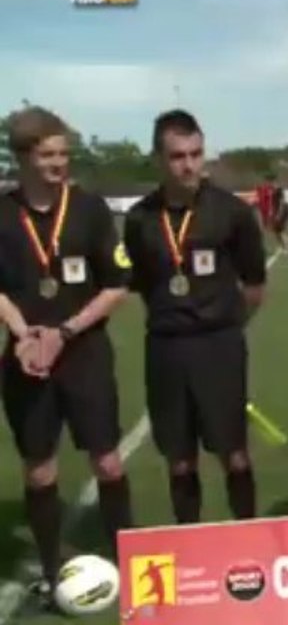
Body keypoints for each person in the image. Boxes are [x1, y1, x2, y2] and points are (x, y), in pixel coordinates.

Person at [0, 106, 133, 607]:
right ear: (23, 158)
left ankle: (129, 556)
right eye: (48, 154)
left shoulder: (90, 209)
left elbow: (118, 284)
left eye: (64, 153)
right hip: (27, 358)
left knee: (108, 461)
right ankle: (54, 568)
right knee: (40, 469)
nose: (59, 163)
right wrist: (22, 333)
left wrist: (65, 330)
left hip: (84, 355)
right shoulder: (2, 213)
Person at [123, 110, 267, 523]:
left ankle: (248, 535)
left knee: (234, 454)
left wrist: (225, 326)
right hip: (166, 349)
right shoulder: (138, 219)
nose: (189, 165)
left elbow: (254, 286)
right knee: (179, 459)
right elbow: (143, 286)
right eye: (177, 156)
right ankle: (189, 544)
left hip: (220, 345)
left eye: (196, 153)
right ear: (158, 158)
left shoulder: (231, 212)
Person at [255, 173, 288, 252]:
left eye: (268, 181)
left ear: (272, 181)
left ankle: (286, 248)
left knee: (280, 230)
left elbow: (282, 203)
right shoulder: (271, 190)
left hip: (283, 211)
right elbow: (271, 202)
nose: (266, 183)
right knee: (276, 231)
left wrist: (279, 214)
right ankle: (284, 246)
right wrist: (271, 212)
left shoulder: (279, 190)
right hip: (276, 211)